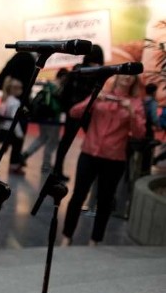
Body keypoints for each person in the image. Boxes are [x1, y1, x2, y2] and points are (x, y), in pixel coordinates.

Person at [61, 74, 146, 246]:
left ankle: (95, 240)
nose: (127, 78)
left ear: (135, 81)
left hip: (114, 158)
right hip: (89, 153)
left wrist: (130, 111)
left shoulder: (136, 103)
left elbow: (139, 133)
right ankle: (66, 237)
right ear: (117, 76)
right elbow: (74, 112)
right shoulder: (101, 94)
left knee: (105, 201)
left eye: (132, 76)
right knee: (78, 196)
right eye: (124, 73)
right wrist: (91, 100)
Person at [54, 45, 105, 181]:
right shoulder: (99, 71)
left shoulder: (78, 68)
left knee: (65, 142)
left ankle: (56, 171)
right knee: (94, 141)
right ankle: (95, 174)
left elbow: (69, 90)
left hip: (73, 111)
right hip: (88, 112)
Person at [22, 69, 67, 174]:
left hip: (43, 116)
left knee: (42, 137)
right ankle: (46, 165)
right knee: (52, 141)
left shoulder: (48, 85)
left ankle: (25, 154)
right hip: (53, 118)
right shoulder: (58, 88)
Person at [0, 75, 25, 175]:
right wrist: (19, 133)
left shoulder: (6, 99)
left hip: (3, 128)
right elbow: (14, 119)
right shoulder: (15, 102)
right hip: (10, 130)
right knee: (16, 148)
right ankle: (14, 165)